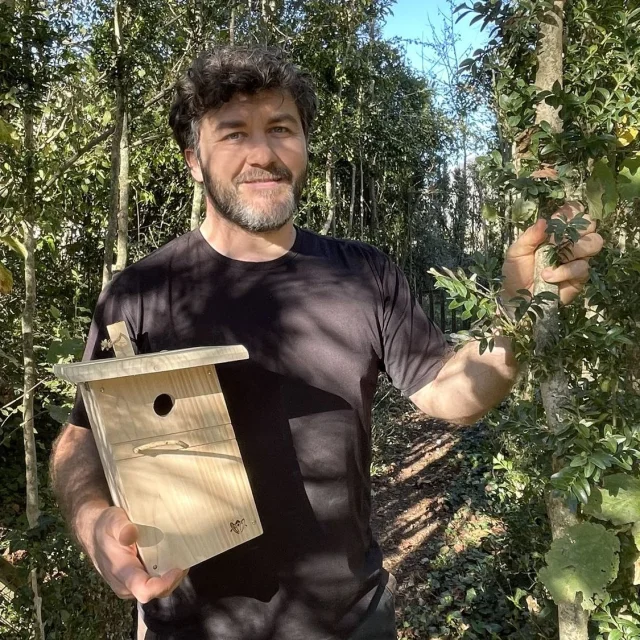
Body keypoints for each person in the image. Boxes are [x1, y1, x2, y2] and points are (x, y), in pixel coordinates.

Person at [50, 46, 604, 640]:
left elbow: (451, 395)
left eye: (281, 129)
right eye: (233, 133)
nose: (262, 153)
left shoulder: (363, 274)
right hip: (187, 625)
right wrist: (92, 522)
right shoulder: (140, 294)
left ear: (305, 144)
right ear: (193, 159)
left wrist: (519, 311)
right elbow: (81, 438)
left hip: (350, 621)